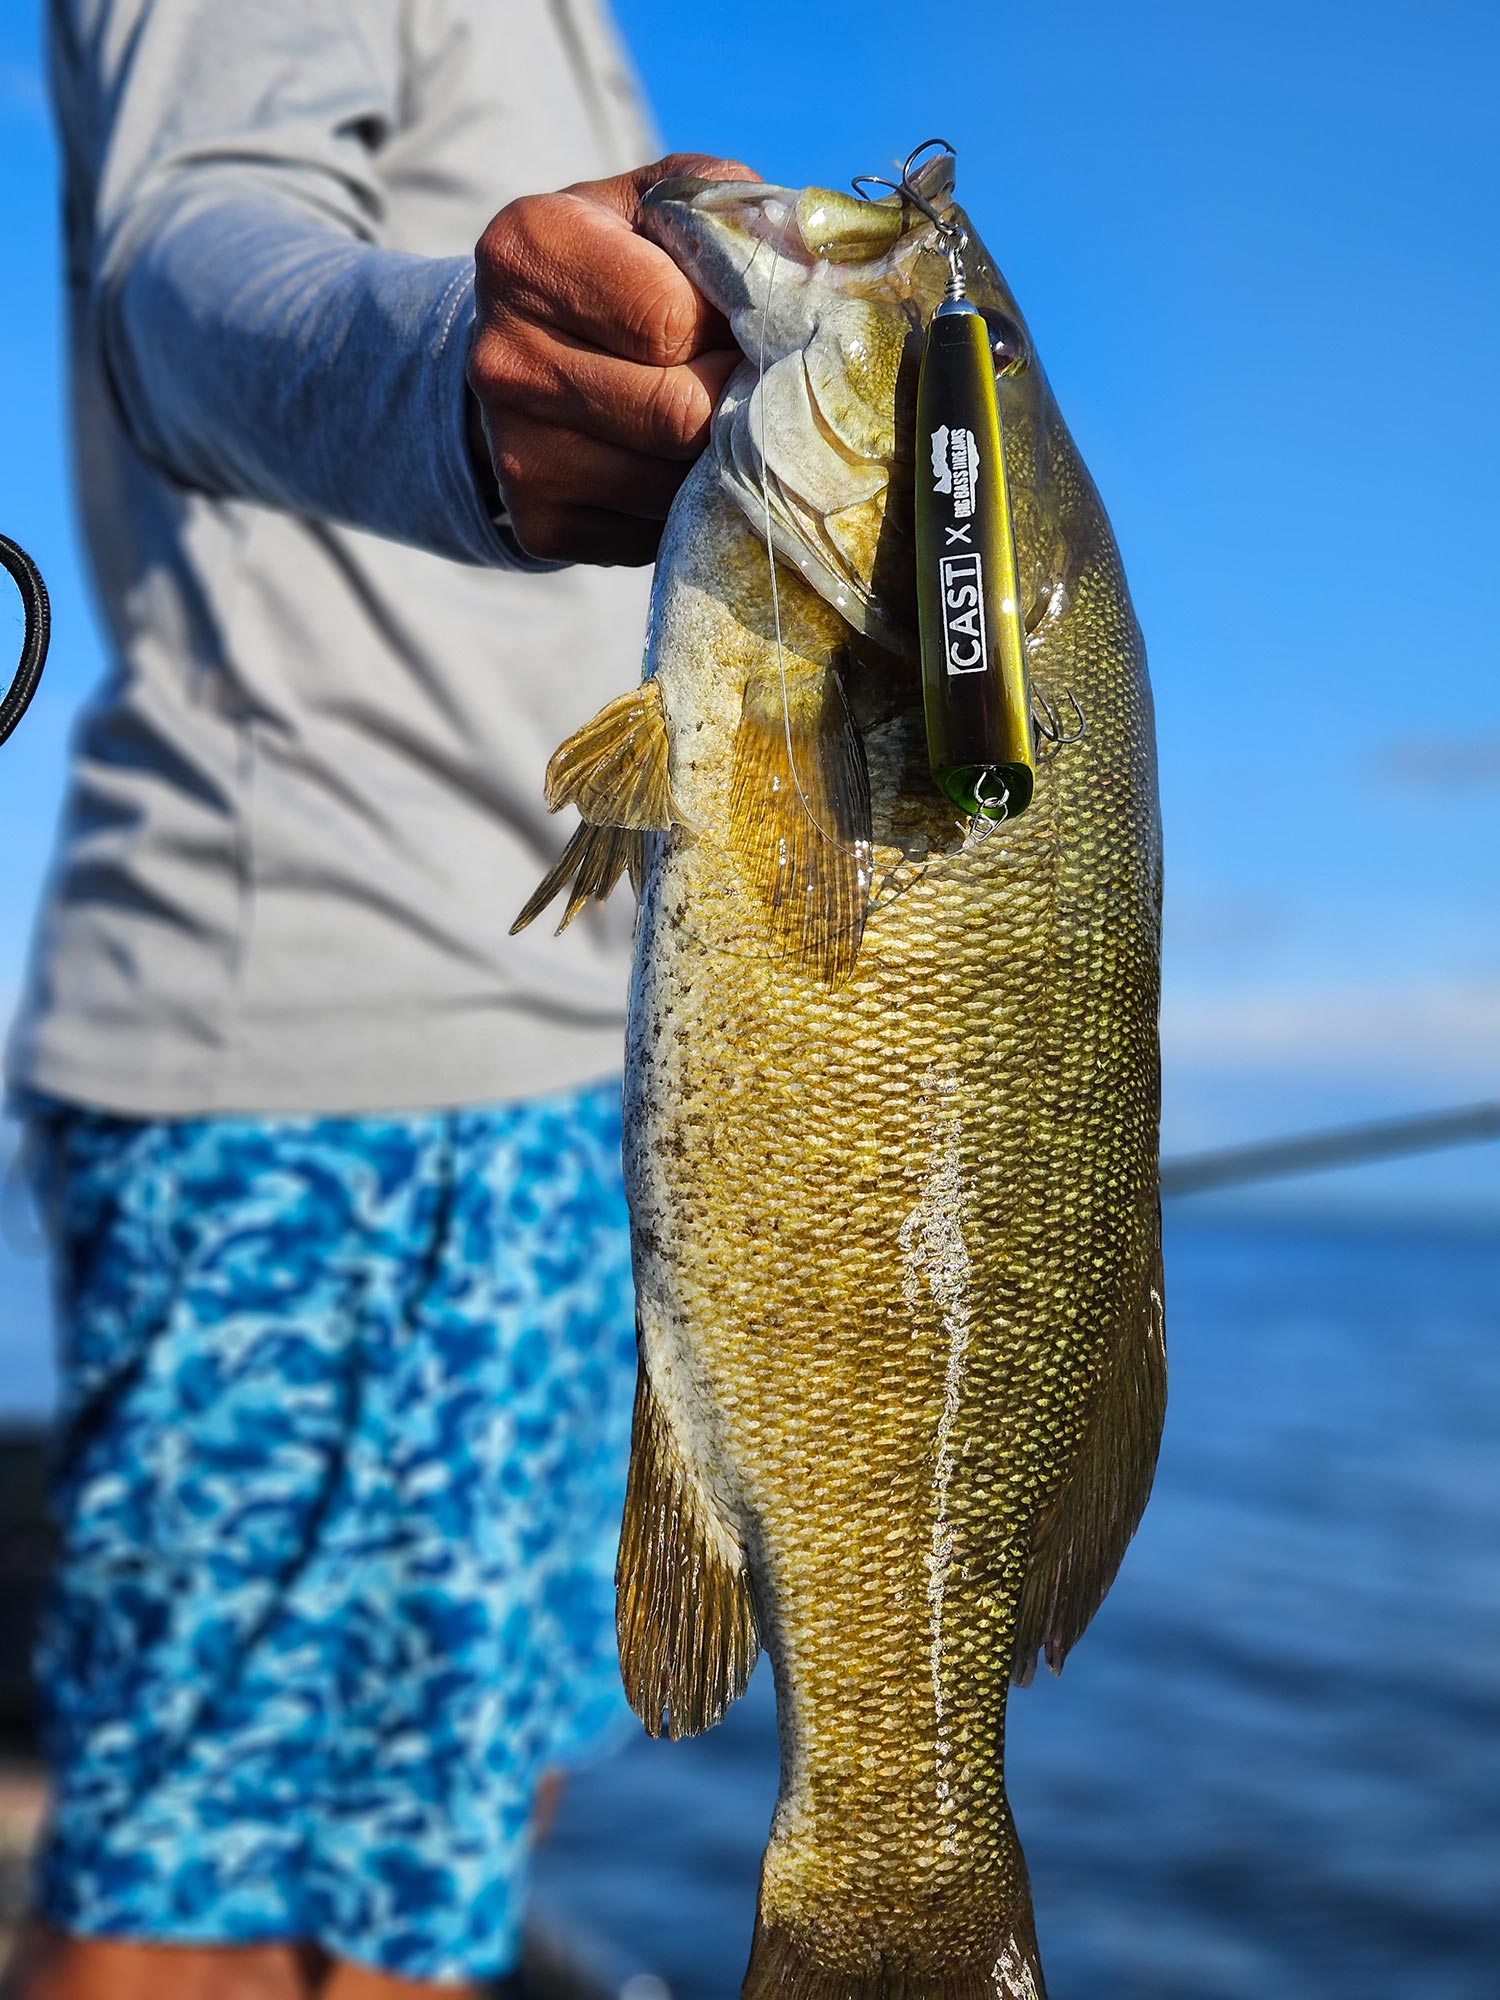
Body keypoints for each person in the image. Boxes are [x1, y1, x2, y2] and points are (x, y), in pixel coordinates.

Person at [4, 3, 755, 1995]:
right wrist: (454, 383)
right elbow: (186, 263)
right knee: (197, 1909)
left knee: (449, 1857)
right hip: (313, 1050)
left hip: (558, 1082)